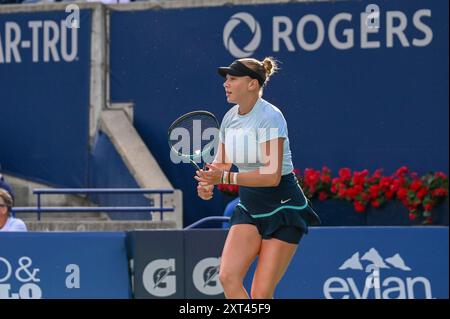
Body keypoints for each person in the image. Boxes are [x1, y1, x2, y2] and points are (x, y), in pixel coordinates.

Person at [194, 57, 320, 299]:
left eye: (232, 79)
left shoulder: (270, 117)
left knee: (261, 293)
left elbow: (272, 176)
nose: (225, 84)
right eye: (226, 79)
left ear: (252, 84)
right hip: (250, 207)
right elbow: (222, 162)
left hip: (284, 208)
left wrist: (225, 178)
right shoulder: (230, 117)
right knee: (227, 277)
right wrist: (209, 182)